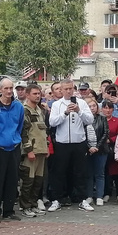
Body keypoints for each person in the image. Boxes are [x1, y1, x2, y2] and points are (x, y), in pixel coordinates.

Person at [48, 79, 95, 211]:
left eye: (70, 88)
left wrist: (79, 111)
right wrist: (65, 113)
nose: (69, 91)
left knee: (80, 172)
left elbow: (90, 119)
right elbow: (52, 122)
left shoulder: (81, 103)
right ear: (61, 90)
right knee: (59, 172)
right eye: (66, 89)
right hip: (62, 143)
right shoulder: (58, 104)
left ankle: (82, 199)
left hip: (78, 142)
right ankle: (57, 199)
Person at [0, 78, 24, 222]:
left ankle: (8, 210)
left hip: (13, 147)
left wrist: (14, 138)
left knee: (12, 180)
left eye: (11, 88)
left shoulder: (18, 106)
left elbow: (19, 125)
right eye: (6, 88)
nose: (9, 91)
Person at [18, 83, 49, 217]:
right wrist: (28, 150)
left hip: (41, 151)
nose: (38, 96)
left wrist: (46, 147)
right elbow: (23, 133)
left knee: (38, 180)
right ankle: (25, 206)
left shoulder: (40, 110)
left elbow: (43, 131)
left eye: (39, 94)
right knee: (28, 180)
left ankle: (33, 204)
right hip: (31, 152)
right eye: (35, 94)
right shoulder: (25, 110)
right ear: (27, 94)